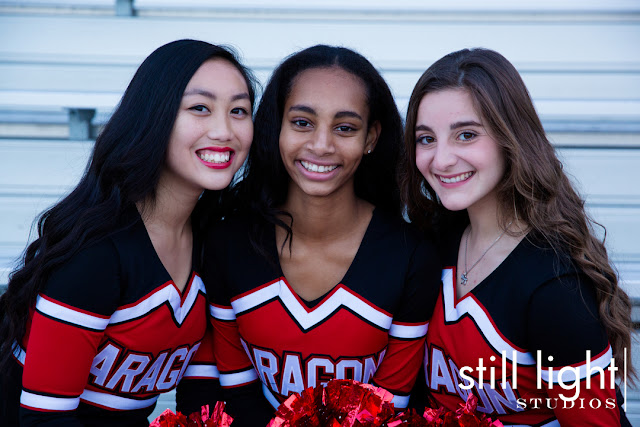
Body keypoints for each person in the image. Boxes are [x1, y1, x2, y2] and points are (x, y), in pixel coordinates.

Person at [0, 39, 256, 426]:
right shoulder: (97, 251)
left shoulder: (214, 243)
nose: (224, 130)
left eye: (239, 110)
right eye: (200, 108)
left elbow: (200, 401)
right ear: (154, 116)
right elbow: (44, 420)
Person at [198, 45, 441, 426]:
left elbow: (391, 406)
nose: (321, 145)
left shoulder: (412, 256)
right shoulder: (228, 243)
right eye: (302, 122)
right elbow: (238, 396)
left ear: (371, 138)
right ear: (276, 125)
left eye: (345, 128)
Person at [402, 47, 634, 426]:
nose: (440, 159)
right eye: (426, 138)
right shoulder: (429, 244)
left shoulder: (554, 286)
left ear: (511, 138)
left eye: (465, 135)